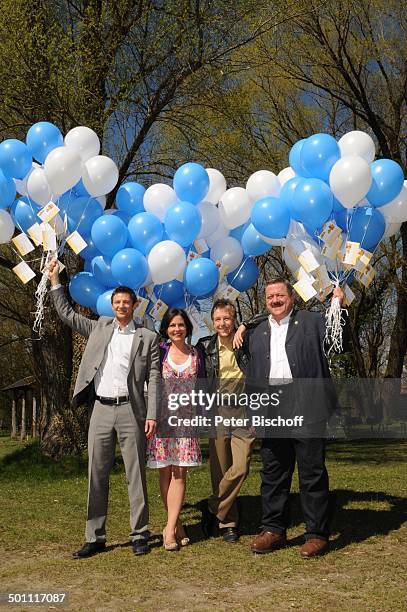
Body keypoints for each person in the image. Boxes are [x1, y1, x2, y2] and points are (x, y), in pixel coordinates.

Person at [48, 259, 160, 558]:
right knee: (96, 474)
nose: (122, 306)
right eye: (117, 302)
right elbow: (66, 314)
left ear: (135, 305)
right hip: (100, 410)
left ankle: (140, 534)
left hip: (131, 412)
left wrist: (151, 414)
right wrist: (55, 282)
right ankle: (94, 537)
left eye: (126, 302)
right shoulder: (98, 328)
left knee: (135, 475)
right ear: (111, 306)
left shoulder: (147, 337)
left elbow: (154, 378)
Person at [234, 278, 345, 558]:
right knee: (273, 473)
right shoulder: (257, 333)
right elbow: (253, 377)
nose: (275, 300)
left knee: (311, 472)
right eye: (270, 296)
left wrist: (338, 306)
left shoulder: (312, 321)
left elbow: (336, 342)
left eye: (280, 295)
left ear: (291, 297)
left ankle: (316, 534)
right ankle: (273, 529)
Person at [196, 298, 254, 543]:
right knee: (220, 470)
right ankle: (228, 522)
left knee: (241, 466)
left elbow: (265, 317)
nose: (222, 324)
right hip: (217, 411)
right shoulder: (205, 345)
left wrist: (246, 325)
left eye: (227, 318)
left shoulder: (246, 341)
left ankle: (212, 506)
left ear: (234, 319)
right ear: (213, 321)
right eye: (218, 319)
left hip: (243, 411)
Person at [147, 308, 204, 551]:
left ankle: (168, 530)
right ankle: (176, 523)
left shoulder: (197, 354)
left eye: (181, 325)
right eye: (172, 325)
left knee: (180, 472)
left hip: (186, 421)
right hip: (163, 420)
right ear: (166, 329)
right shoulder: (159, 352)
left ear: (187, 327)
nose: (177, 329)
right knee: (165, 472)